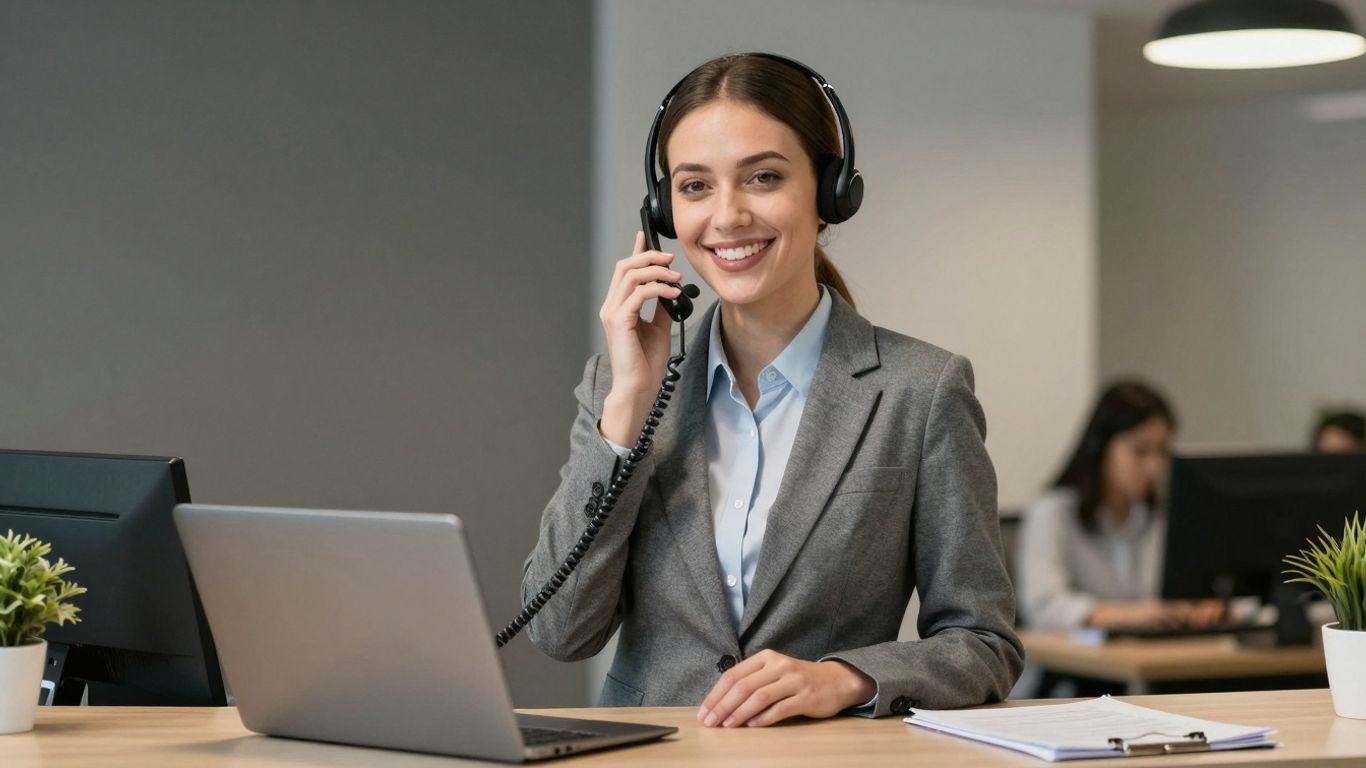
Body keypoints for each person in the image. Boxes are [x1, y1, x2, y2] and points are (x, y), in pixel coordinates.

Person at [520, 53, 1021, 728]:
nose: (727, 216)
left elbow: (983, 643)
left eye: (763, 177)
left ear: (831, 190)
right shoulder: (623, 386)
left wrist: (847, 677)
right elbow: (559, 632)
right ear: (664, 210)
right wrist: (625, 421)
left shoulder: (920, 391)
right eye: (695, 187)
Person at [1016, 381, 1222, 633]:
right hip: (1070, 668)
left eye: (1162, 451)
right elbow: (1044, 607)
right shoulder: (1053, 512)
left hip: (1148, 661)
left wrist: (1197, 608)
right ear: (1100, 447)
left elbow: (1177, 594)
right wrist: (1136, 615)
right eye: (1140, 451)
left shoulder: (1162, 516)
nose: (1154, 467)